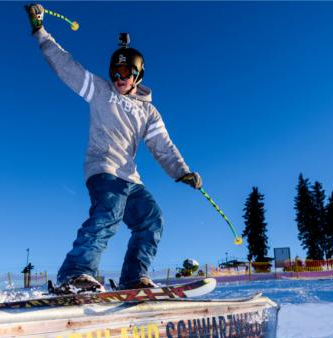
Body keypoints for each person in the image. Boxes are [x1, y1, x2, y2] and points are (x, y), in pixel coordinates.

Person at [25, 4, 202, 294]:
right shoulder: (100, 91)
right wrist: (40, 31)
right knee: (108, 213)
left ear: (138, 76)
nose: (119, 78)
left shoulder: (149, 113)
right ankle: (77, 272)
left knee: (152, 219)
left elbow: (162, 146)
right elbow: (66, 65)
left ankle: (134, 277)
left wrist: (181, 171)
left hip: (130, 178)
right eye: (115, 72)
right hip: (103, 169)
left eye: (126, 72)